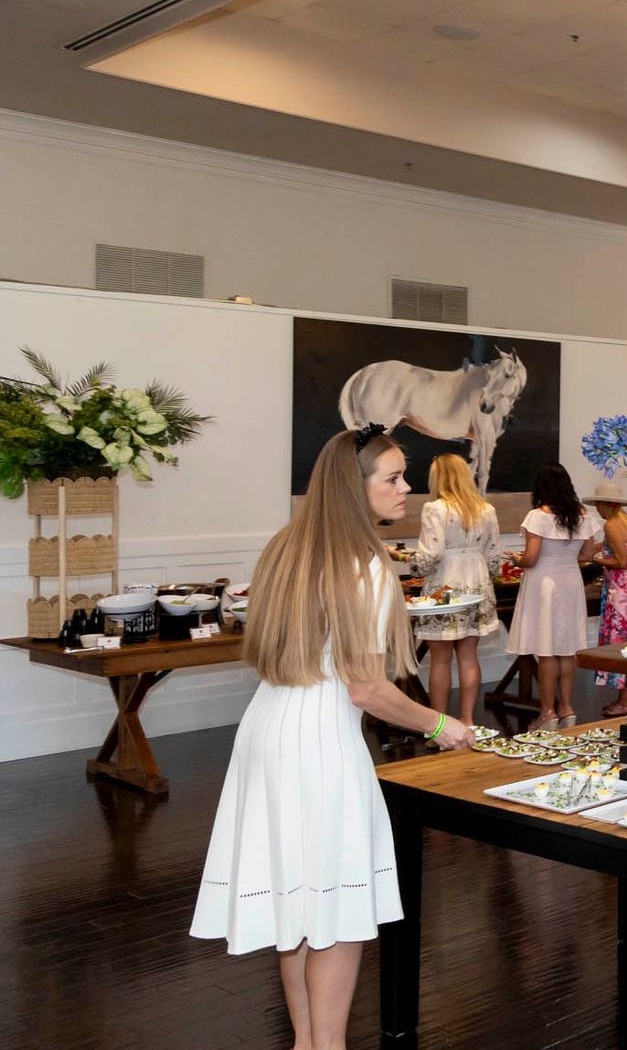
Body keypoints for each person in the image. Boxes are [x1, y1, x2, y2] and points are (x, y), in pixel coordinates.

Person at [191, 427, 474, 1049]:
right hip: (319, 742)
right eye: (393, 478)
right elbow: (366, 688)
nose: (407, 488)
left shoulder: (285, 548)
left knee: (298, 905)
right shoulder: (368, 565)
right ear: (355, 487)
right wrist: (440, 722)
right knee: (339, 914)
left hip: (267, 728)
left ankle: (307, 1042)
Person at [507, 462, 603, 731]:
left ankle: (547, 711)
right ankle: (567, 707)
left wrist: (518, 559)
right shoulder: (582, 514)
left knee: (547, 650)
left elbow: (531, 557)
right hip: (571, 582)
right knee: (567, 649)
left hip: (544, 583)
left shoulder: (538, 516)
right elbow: (587, 554)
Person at [410, 453, 500, 726]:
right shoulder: (486, 509)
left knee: (439, 659)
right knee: (469, 656)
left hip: (445, 585)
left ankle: (440, 724)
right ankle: (469, 720)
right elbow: (494, 556)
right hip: (476, 582)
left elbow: (431, 554)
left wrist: (411, 563)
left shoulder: (435, 508)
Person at [582, 481, 627, 717]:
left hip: (621, 589)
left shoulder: (611, 524)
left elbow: (621, 561)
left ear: (604, 504)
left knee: (620, 640)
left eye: (598, 505)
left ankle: (625, 700)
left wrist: (596, 560)